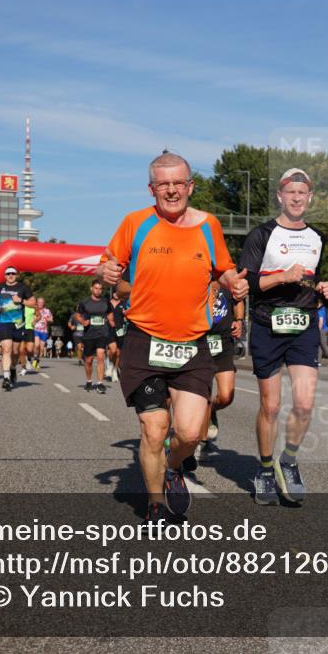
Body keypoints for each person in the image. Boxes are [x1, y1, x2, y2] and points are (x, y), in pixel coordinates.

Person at [98, 151, 248, 523]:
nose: (171, 191)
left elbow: (224, 269)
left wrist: (234, 282)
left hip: (192, 344)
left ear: (190, 186)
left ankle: (173, 467)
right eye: (162, 184)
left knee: (191, 432)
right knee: (153, 427)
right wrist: (109, 272)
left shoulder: (208, 225)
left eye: (177, 183)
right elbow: (107, 264)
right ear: (151, 189)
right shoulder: (135, 223)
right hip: (145, 340)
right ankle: (154, 504)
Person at [239, 168, 328, 506]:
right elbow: (245, 285)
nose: (296, 197)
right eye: (290, 192)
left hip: (304, 325)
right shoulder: (261, 234)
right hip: (267, 324)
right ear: (280, 196)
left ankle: (288, 462)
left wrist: (323, 290)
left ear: (310, 198)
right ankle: (264, 469)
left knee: (305, 404)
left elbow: (313, 279)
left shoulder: (318, 237)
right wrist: (280, 276)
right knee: (271, 405)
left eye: (302, 192)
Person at [196, 281, 244, 462]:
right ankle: (201, 441)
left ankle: (212, 411)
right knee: (203, 398)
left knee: (226, 396)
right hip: (200, 343)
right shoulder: (197, 272)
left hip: (223, 344)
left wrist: (239, 320)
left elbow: (239, 298)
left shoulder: (227, 277)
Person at [0, 266, 35, 391]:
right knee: (7, 349)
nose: (10, 275)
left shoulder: (23, 288)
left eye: (13, 273)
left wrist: (21, 300)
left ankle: (13, 368)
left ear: (16, 275)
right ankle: (6, 378)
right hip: (4, 323)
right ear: (5, 276)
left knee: (15, 352)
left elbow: (33, 302)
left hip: (18, 324)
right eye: (8, 273)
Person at [75, 279, 114, 393]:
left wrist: (111, 321)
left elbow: (110, 314)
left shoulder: (106, 302)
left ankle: (100, 383)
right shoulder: (84, 302)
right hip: (89, 334)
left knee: (101, 356)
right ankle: (89, 381)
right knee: (88, 360)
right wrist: (83, 321)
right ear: (91, 289)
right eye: (96, 288)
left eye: (100, 289)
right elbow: (77, 315)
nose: (98, 291)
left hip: (102, 333)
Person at [33, 297, 53, 369]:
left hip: (44, 331)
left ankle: (37, 362)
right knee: (37, 345)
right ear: (37, 303)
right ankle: (35, 358)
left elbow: (51, 319)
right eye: (39, 302)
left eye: (42, 302)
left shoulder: (47, 311)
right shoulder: (34, 310)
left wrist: (49, 319)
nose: (40, 304)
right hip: (36, 329)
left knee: (41, 349)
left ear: (44, 303)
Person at [19, 297, 37, 375]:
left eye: (32, 300)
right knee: (21, 350)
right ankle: (23, 368)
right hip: (20, 327)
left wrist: (35, 320)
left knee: (29, 349)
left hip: (30, 329)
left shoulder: (34, 308)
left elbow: (39, 316)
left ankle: (29, 360)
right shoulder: (20, 306)